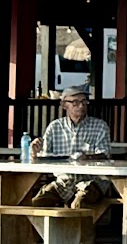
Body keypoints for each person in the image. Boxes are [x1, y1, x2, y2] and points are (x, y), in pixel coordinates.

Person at [28, 84, 115, 214]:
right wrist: (35, 153)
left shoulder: (100, 126)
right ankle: (44, 229)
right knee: (36, 203)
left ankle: (78, 228)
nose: (81, 106)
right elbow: (45, 158)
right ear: (64, 105)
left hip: (91, 181)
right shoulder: (54, 127)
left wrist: (88, 158)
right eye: (75, 102)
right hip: (63, 181)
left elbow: (105, 155)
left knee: (79, 204)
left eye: (84, 102)